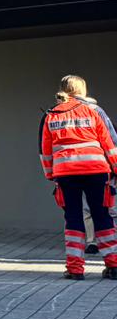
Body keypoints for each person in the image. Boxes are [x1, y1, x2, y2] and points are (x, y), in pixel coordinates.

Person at [40, 76, 117, 279]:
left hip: (66, 173)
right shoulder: (93, 111)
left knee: (73, 217)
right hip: (96, 170)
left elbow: (45, 150)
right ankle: (114, 265)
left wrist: (50, 174)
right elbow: (109, 143)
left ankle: (75, 269)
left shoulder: (51, 115)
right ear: (83, 90)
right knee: (102, 216)